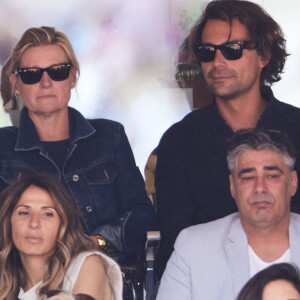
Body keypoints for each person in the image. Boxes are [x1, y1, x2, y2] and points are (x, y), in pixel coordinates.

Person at [155, 0, 300, 277]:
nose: (217, 62)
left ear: (264, 56)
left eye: (232, 50)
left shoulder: (297, 129)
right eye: (207, 52)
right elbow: (176, 246)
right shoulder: (180, 141)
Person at [0, 26, 156, 266]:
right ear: (16, 84)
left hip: (104, 280)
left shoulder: (109, 136)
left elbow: (142, 215)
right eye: (31, 74)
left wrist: (96, 242)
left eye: (58, 72)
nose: (45, 82)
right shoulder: (3, 147)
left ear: (73, 77)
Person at [157, 128, 300, 300]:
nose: (260, 187)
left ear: (292, 183)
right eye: (248, 177)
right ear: (232, 186)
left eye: (271, 176)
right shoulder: (193, 247)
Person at [0, 174, 123, 300]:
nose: (34, 223)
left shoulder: (85, 265)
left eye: (47, 214)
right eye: (24, 212)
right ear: (9, 222)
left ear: (63, 224)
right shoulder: (6, 277)